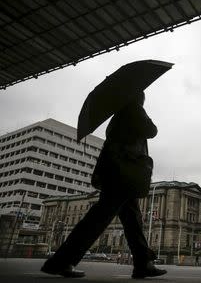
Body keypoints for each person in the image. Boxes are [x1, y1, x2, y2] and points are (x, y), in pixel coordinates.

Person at [41, 92, 166, 279]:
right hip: (122, 172)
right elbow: (152, 131)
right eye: (142, 97)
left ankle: (142, 263)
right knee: (98, 218)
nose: (143, 99)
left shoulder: (118, 115)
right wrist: (142, 112)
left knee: (133, 221)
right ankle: (61, 261)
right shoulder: (133, 109)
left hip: (117, 171)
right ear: (137, 98)